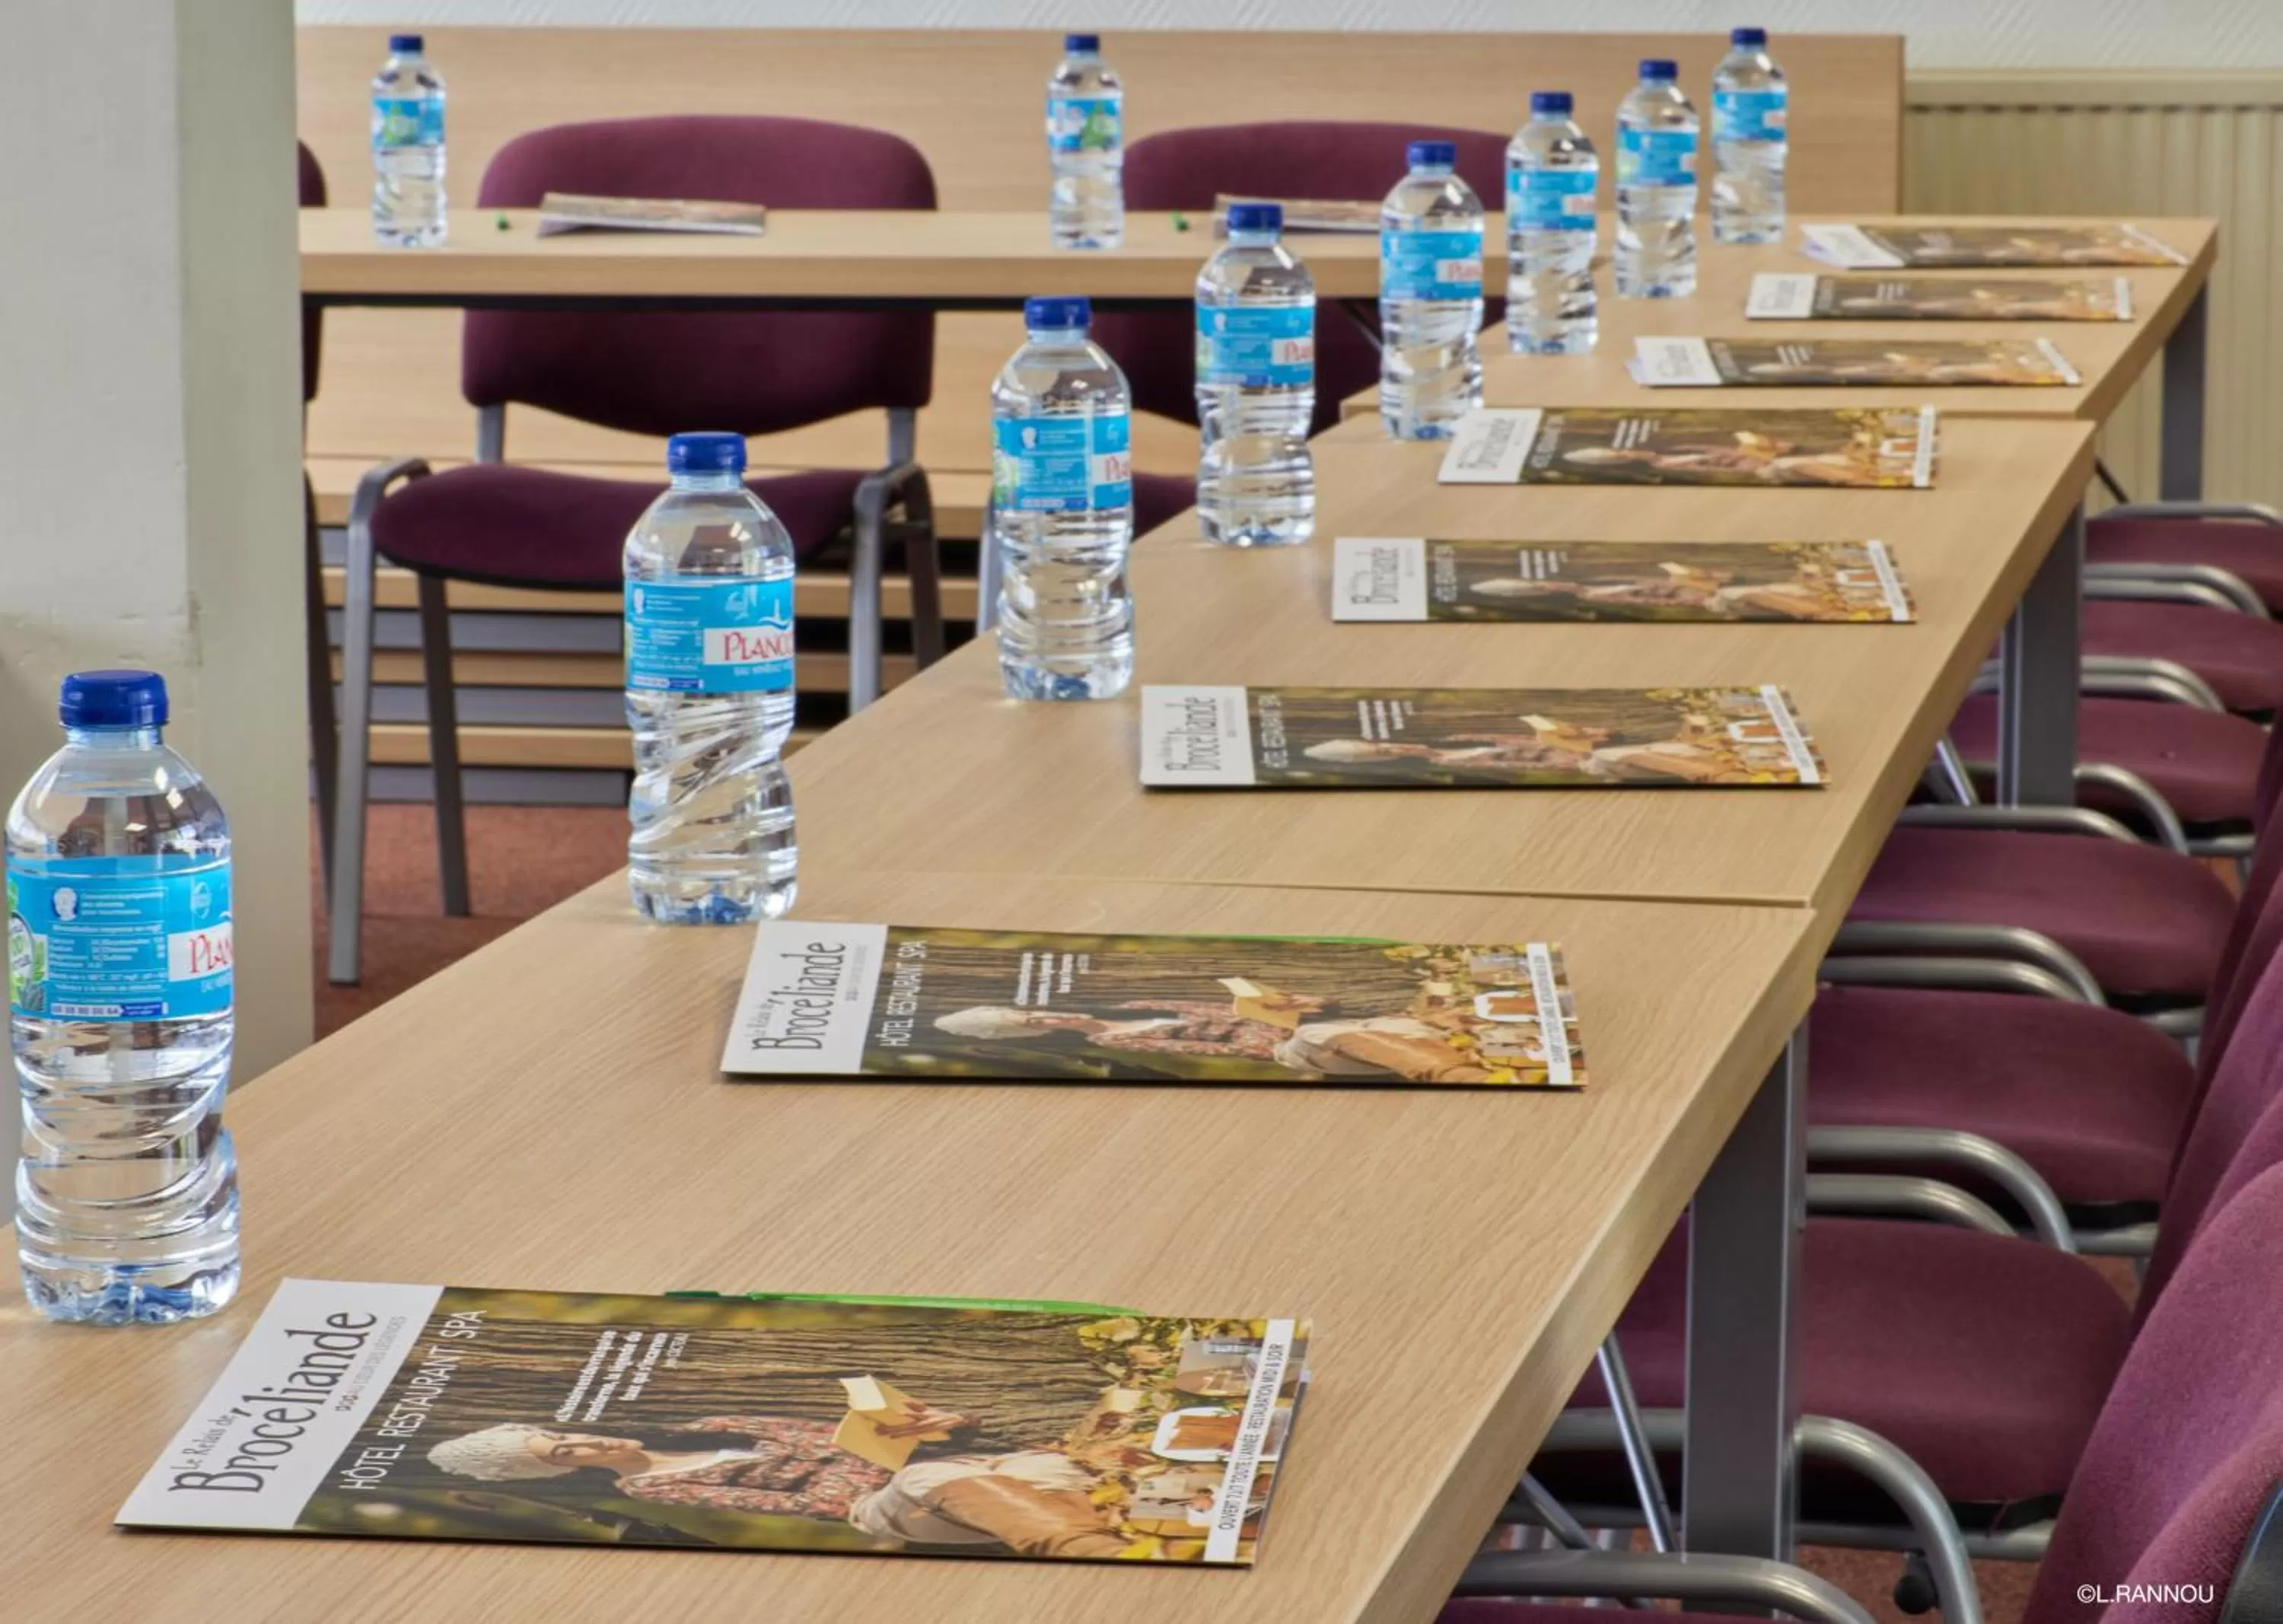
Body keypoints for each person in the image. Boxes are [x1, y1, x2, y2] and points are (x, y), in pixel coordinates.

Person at [427, 1414, 1135, 1559]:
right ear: (560, 1471)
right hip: (885, 1507)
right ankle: (1087, 1549)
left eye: (570, 1429)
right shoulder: (658, 1495)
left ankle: (1108, 1532)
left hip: (955, 1476)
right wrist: (892, 1457)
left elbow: (848, 1439)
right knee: (926, 1474)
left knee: (1041, 1467)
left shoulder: (717, 1421)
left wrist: (939, 1424)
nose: (592, 1442)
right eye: (567, 1450)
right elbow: (820, 1499)